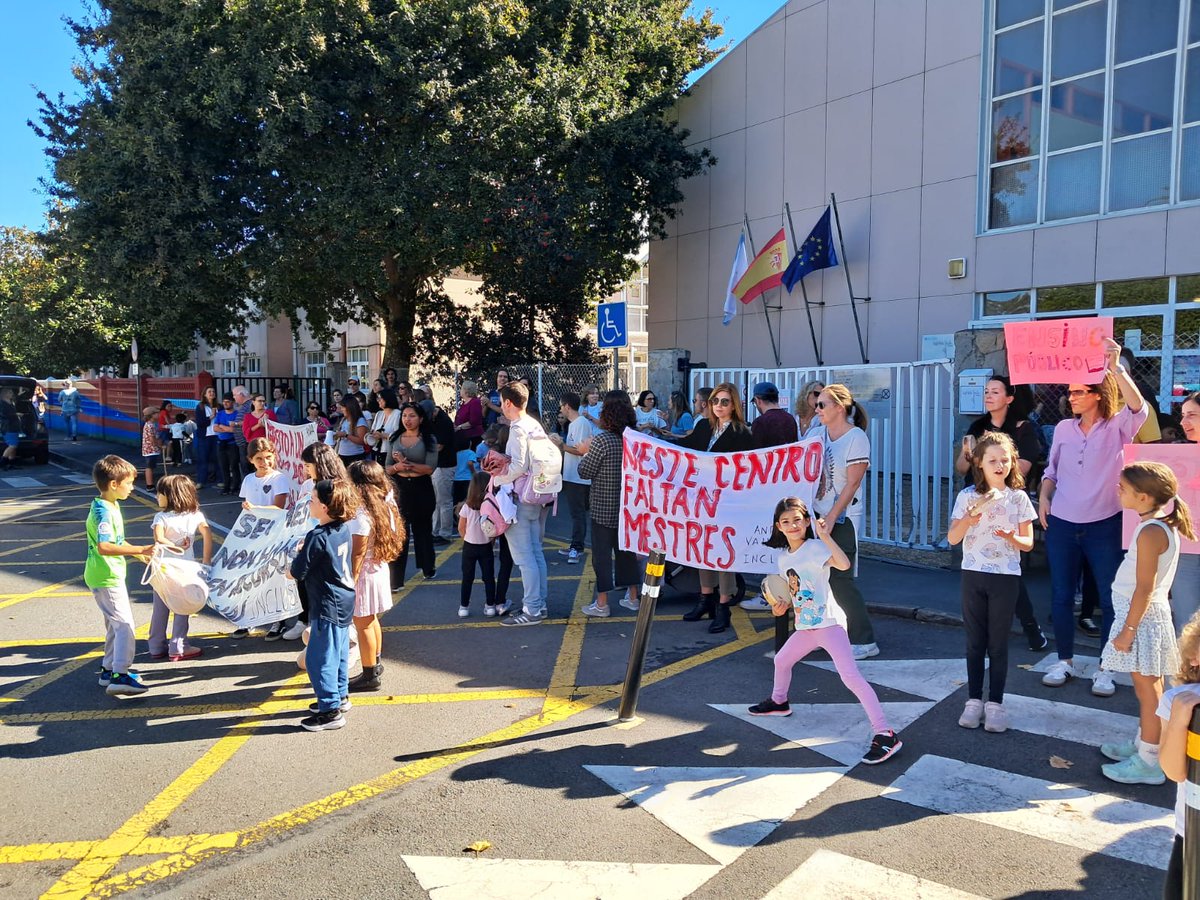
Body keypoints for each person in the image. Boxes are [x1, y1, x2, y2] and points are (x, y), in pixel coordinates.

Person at [748, 496, 903, 766]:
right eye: (786, 521)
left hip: (829, 624)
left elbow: (844, 565)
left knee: (850, 678)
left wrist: (825, 536)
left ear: (807, 522)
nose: (793, 525)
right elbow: (792, 591)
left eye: (798, 520)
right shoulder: (784, 558)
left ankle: (885, 733)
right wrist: (780, 606)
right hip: (806, 626)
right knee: (782, 660)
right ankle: (779, 702)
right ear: (778, 527)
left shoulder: (817, 547)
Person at [1039, 339, 1148, 697]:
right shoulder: (1064, 430)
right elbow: (1051, 470)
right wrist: (1043, 496)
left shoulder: (1118, 425)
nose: (1071, 397)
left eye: (1079, 392)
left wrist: (1115, 366)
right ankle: (1064, 661)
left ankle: (1107, 667)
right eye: (1070, 392)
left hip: (1105, 523)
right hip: (1063, 524)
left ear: (1097, 395)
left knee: (1108, 597)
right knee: (1060, 595)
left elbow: (1140, 408)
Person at [1097, 461, 1194, 786]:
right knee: (1146, 689)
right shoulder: (1153, 525)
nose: (1117, 490)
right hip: (1142, 617)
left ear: (1142, 496)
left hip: (1142, 620)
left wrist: (1127, 631)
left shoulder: (1153, 531)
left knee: (1149, 690)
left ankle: (1150, 760)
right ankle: (1144, 744)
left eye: (1123, 488)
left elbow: (1145, 587)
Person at [947, 432, 1036, 734]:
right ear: (979, 464)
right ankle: (973, 701)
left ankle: (995, 704)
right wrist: (968, 520)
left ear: (1013, 463)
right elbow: (952, 538)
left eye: (1005, 460)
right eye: (992, 461)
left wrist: (1012, 537)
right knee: (975, 642)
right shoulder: (968, 497)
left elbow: (1028, 544)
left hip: (1006, 576)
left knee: (998, 644)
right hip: (973, 573)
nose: (999, 466)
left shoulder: (1019, 498)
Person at [954, 375, 1048, 652]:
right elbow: (962, 468)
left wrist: (993, 464)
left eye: (995, 391)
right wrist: (968, 454)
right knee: (982, 568)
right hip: (976, 503)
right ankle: (1009, 632)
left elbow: (1024, 468)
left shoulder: (1022, 428)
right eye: (986, 391)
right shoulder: (976, 427)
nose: (988, 395)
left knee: (1007, 569)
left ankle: (1030, 629)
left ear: (1009, 397)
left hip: (1007, 502)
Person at [675, 382, 756, 632]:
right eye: (714, 401)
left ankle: (723, 606)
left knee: (722, 554)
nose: (719, 406)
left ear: (734, 405)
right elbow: (686, 451)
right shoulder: (703, 426)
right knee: (703, 550)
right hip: (701, 501)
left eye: (724, 401)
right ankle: (705, 598)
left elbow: (747, 469)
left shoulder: (742, 432)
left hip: (727, 503)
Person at [288, 478, 359, 731]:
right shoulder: (342, 529)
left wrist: (296, 557)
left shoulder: (316, 536)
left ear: (326, 507)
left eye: (314, 499)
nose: (310, 502)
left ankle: (330, 711)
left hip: (327, 603)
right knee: (338, 653)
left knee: (320, 659)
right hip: (343, 599)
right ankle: (339, 696)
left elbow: (297, 571)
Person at [86, 455, 157, 696]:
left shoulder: (107, 505)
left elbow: (116, 541)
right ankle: (121, 675)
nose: (132, 487)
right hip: (106, 576)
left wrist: (139, 555)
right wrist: (141, 549)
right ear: (114, 484)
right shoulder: (104, 513)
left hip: (104, 574)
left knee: (114, 626)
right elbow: (104, 547)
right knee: (125, 625)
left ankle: (108, 671)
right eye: (129, 483)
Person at [489, 381, 557, 626]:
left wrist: (497, 478)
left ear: (508, 403)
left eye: (501, 402)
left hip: (520, 498)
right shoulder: (534, 424)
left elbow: (518, 466)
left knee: (524, 557)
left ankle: (532, 610)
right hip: (538, 496)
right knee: (536, 554)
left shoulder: (518, 428)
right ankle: (539, 604)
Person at [577, 395, 641, 617]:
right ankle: (633, 596)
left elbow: (585, 471)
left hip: (604, 508)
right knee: (626, 553)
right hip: (629, 508)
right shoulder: (634, 440)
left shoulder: (602, 441)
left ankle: (602, 602)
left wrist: (585, 451)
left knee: (602, 556)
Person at [346, 460, 403, 691]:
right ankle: (375, 663)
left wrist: (349, 580)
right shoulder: (384, 503)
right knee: (371, 620)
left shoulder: (361, 511)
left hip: (364, 575)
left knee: (363, 624)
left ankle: (369, 675)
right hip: (378, 568)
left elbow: (358, 551)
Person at [236, 438, 299, 641]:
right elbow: (246, 506)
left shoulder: (278, 478)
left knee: (274, 578)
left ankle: (278, 620)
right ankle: (250, 619)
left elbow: (279, 507)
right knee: (252, 577)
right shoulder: (248, 480)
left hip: (275, 534)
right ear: (251, 460)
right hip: (254, 535)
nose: (265, 462)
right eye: (259, 459)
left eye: (268, 457)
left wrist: (255, 509)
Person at [1157, 612, 1200, 898]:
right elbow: (1174, 771)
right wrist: (1180, 718)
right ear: (1194, 655)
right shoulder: (1179, 700)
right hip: (1192, 837)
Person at [149, 475, 212, 662]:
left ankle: (156, 645)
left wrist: (172, 546)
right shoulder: (196, 515)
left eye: (160, 494)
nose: (157, 497)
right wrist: (206, 560)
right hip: (187, 569)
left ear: (171, 496)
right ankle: (179, 646)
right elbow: (207, 535)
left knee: (160, 608)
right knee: (182, 607)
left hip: (162, 569)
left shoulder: (161, 517)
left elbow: (159, 538)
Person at [386, 402, 439, 581]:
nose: (407, 420)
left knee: (422, 530)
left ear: (421, 418)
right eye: (404, 416)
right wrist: (397, 467)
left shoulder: (428, 439)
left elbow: (429, 468)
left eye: (412, 416)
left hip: (422, 487)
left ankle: (427, 567)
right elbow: (386, 468)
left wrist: (407, 464)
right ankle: (396, 578)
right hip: (400, 487)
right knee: (400, 532)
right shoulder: (394, 438)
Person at [1170, 391, 1200, 634]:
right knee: (1187, 625)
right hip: (1187, 549)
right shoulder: (1177, 457)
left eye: (1192, 415)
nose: (1183, 422)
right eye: (1182, 416)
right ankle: (1189, 672)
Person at [551, 391, 592, 565]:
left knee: (578, 514)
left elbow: (581, 450)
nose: (561, 409)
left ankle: (577, 547)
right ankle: (575, 544)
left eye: (562, 406)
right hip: (571, 475)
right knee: (576, 513)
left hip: (578, 477)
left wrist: (562, 445)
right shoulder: (575, 423)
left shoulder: (580, 423)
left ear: (567, 406)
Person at [457, 471, 498, 617]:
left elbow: (461, 527)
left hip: (469, 545)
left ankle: (464, 606)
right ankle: (490, 605)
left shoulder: (467, 507)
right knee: (488, 577)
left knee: (467, 577)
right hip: (486, 545)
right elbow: (493, 529)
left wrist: (466, 538)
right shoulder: (490, 506)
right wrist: (491, 541)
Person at [426, 388, 458, 543]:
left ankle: (444, 533)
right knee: (436, 500)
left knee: (444, 501)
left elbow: (439, 446)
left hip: (445, 465)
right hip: (437, 464)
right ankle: (435, 531)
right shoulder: (434, 419)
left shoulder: (444, 421)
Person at [750, 381, 798, 448]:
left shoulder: (760, 422)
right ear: (777, 398)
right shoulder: (790, 419)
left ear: (757, 400)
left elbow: (755, 452)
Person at [212, 393, 241, 495]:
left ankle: (236, 486)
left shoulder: (237, 414)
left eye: (228, 402)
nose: (225, 404)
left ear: (232, 402)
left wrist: (222, 427)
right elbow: (215, 428)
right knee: (223, 466)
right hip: (221, 443)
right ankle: (226, 486)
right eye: (224, 402)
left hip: (232, 443)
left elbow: (234, 430)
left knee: (234, 465)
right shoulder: (220, 414)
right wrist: (226, 428)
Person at [332, 395, 370, 468]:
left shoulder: (360, 421)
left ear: (349, 407)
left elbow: (362, 441)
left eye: (343, 407)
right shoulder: (344, 420)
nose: (341, 409)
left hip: (355, 456)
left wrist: (346, 435)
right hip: (342, 455)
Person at [194, 385, 220, 488]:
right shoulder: (200, 407)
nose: (212, 393)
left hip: (217, 435)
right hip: (205, 436)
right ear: (205, 394)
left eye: (213, 391)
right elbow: (200, 423)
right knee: (203, 459)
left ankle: (220, 479)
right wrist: (211, 417)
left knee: (218, 458)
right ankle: (201, 480)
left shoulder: (219, 406)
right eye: (209, 391)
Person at [366, 389, 401, 464]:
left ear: (387, 398)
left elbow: (399, 435)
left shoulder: (397, 414)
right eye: (377, 398)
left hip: (390, 452)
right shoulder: (379, 414)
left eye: (380, 398)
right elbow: (373, 429)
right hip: (377, 451)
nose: (378, 400)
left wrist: (383, 435)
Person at [454, 380, 485, 448]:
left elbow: (474, 422)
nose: (460, 390)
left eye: (462, 388)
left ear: (466, 390)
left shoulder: (474, 402)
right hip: (463, 437)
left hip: (473, 438)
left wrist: (459, 427)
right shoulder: (464, 404)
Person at [230, 385, 252, 476]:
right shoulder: (243, 406)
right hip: (241, 443)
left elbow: (252, 420)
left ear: (241, 394)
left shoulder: (250, 405)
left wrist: (235, 424)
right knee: (243, 467)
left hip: (246, 442)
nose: (233, 397)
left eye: (235, 395)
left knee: (247, 467)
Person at [140, 406, 161, 489]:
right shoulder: (150, 425)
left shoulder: (150, 424)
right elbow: (152, 438)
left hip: (149, 449)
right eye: (157, 413)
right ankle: (149, 484)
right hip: (151, 449)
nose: (158, 415)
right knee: (149, 467)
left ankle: (150, 484)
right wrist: (159, 445)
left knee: (151, 466)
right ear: (152, 415)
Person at [0, 388, 20, 471]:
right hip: (8, 427)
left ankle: (11, 463)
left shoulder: (10, 403)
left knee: (13, 446)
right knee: (13, 445)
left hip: (14, 426)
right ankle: (2, 462)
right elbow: (5, 415)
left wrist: (20, 393)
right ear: (5, 394)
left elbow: (16, 399)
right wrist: (16, 414)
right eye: (10, 392)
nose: (12, 394)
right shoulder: (2, 404)